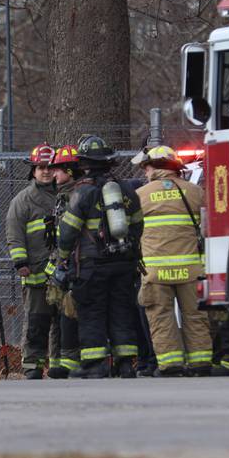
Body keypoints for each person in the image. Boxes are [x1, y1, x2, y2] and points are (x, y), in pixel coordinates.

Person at [55, 135, 144, 379]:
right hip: (124, 262)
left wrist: (63, 259)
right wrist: (132, 250)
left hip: (91, 265)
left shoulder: (81, 193)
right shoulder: (126, 190)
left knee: (92, 312)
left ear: (83, 164)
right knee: (121, 310)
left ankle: (94, 364)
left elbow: (67, 232)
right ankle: (125, 364)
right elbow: (137, 225)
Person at [134, 145, 212, 377]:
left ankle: (170, 365)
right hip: (191, 269)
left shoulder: (141, 195)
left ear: (157, 167)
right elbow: (208, 228)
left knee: (160, 316)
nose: (145, 172)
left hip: (156, 271)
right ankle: (201, 363)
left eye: (146, 167)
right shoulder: (195, 192)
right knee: (196, 315)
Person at [5, 142, 58, 379]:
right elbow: (14, 236)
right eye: (40, 167)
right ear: (33, 170)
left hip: (63, 272)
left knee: (63, 320)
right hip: (35, 272)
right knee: (37, 321)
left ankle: (60, 363)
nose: (45, 171)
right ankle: (32, 365)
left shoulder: (66, 194)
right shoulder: (22, 201)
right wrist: (21, 263)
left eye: (49, 167)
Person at [44, 144, 83, 378]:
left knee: (72, 313)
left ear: (70, 170)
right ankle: (62, 362)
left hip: (75, 263)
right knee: (62, 315)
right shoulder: (63, 195)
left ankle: (74, 362)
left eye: (58, 169)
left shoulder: (75, 195)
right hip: (63, 263)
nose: (53, 174)